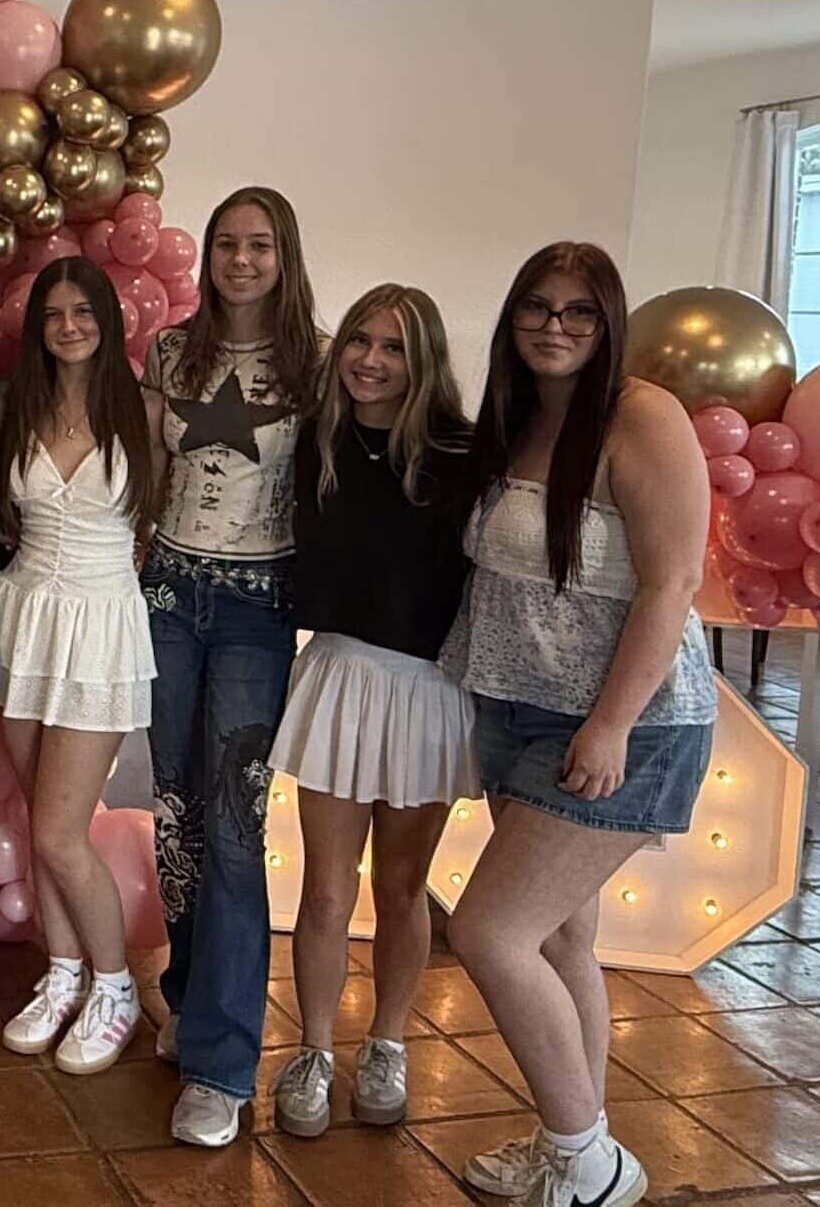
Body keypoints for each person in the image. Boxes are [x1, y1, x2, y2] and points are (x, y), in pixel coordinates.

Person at [442, 243, 713, 1207]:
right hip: (518, 709)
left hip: (619, 724)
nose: (553, 326)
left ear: (608, 324)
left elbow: (672, 583)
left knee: (488, 932)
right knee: (558, 941)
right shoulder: (515, 416)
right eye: (536, 307)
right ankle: (572, 1140)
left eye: (578, 312)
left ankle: (590, 1166)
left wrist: (607, 725)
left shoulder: (641, 416)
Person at [266, 284, 480, 1138]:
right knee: (323, 887)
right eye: (359, 339)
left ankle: (386, 1040)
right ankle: (313, 1047)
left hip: (429, 688)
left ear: (421, 357)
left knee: (400, 886)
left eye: (391, 345)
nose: (370, 360)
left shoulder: (465, 454)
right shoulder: (315, 439)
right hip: (341, 675)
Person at [137, 186, 322, 1146]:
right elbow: (141, 473)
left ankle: (222, 1062)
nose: (240, 260)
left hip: (258, 608)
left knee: (234, 822)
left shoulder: (318, 366)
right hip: (169, 596)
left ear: (283, 255)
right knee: (175, 815)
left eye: (258, 245)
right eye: (224, 244)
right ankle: (187, 995)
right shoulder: (170, 351)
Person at [0, 258, 156, 1077]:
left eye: (81, 310)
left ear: (106, 317)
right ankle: (61, 976)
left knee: (60, 828)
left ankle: (115, 984)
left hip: (100, 625)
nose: (67, 325)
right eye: (52, 313)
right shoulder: (16, 406)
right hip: (23, 619)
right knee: (35, 821)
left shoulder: (143, 409)